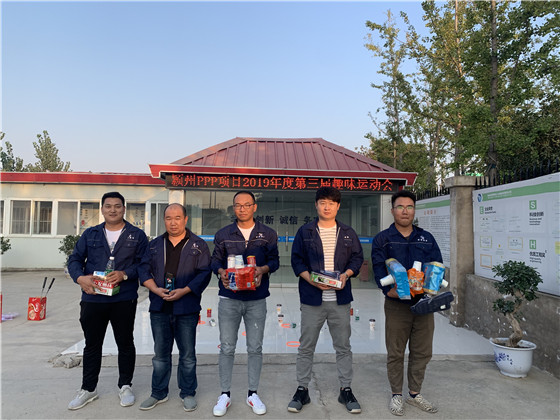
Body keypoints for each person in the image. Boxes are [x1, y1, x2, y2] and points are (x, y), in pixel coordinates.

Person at [67, 191, 149, 410]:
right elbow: (74, 260)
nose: (113, 210)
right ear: (102, 209)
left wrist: (125, 274)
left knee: (125, 342)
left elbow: (144, 264)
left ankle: (125, 385)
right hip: (93, 298)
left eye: (117, 206)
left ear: (124, 209)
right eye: (108, 206)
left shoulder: (137, 235)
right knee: (92, 344)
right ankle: (88, 389)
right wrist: (80, 278)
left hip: (123, 298)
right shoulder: (90, 234)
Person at [288, 186, 364, 414]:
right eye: (323, 202)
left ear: (338, 206)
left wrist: (346, 274)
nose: (327, 207)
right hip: (312, 299)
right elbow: (296, 261)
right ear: (316, 205)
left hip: (339, 300)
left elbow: (357, 259)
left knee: (343, 346)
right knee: (306, 346)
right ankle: (302, 389)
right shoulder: (306, 232)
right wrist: (312, 280)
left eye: (331, 203)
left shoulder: (348, 232)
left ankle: (345, 389)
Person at [371, 190, 443, 417]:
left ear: (414, 210)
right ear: (392, 210)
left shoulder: (426, 238)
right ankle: (396, 394)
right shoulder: (383, 239)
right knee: (396, 351)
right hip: (396, 305)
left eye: (409, 207)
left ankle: (414, 393)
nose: (405, 211)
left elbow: (437, 264)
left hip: (424, 305)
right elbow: (377, 268)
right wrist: (389, 290)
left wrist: (432, 285)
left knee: (422, 351)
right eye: (400, 207)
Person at [210, 191, 280, 417]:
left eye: (247, 205)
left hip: (256, 299)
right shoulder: (223, 234)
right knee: (227, 347)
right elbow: (214, 261)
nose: (242, 209)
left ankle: (252, 393)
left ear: (254, 207)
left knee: (255, 348)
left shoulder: (267, 234)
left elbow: (275, 261)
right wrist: (221, 271)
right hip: (229, 298)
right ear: (234, 208)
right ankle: (225, 394)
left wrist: (262, 269)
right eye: (238, 205)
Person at [138, 203, 212, 412]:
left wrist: (184, 291)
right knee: (160, 354)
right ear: (164, 220)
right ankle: (158, 393)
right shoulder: (154, 245)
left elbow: (204, 273)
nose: (173, 222)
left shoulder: (198, 245)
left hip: (186, 307)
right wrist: (155, 289)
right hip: (159, 307)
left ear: (185, 219)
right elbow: (143, 270)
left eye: (177, 218)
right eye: (169, 218)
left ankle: (188, 392)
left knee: (187, 355)